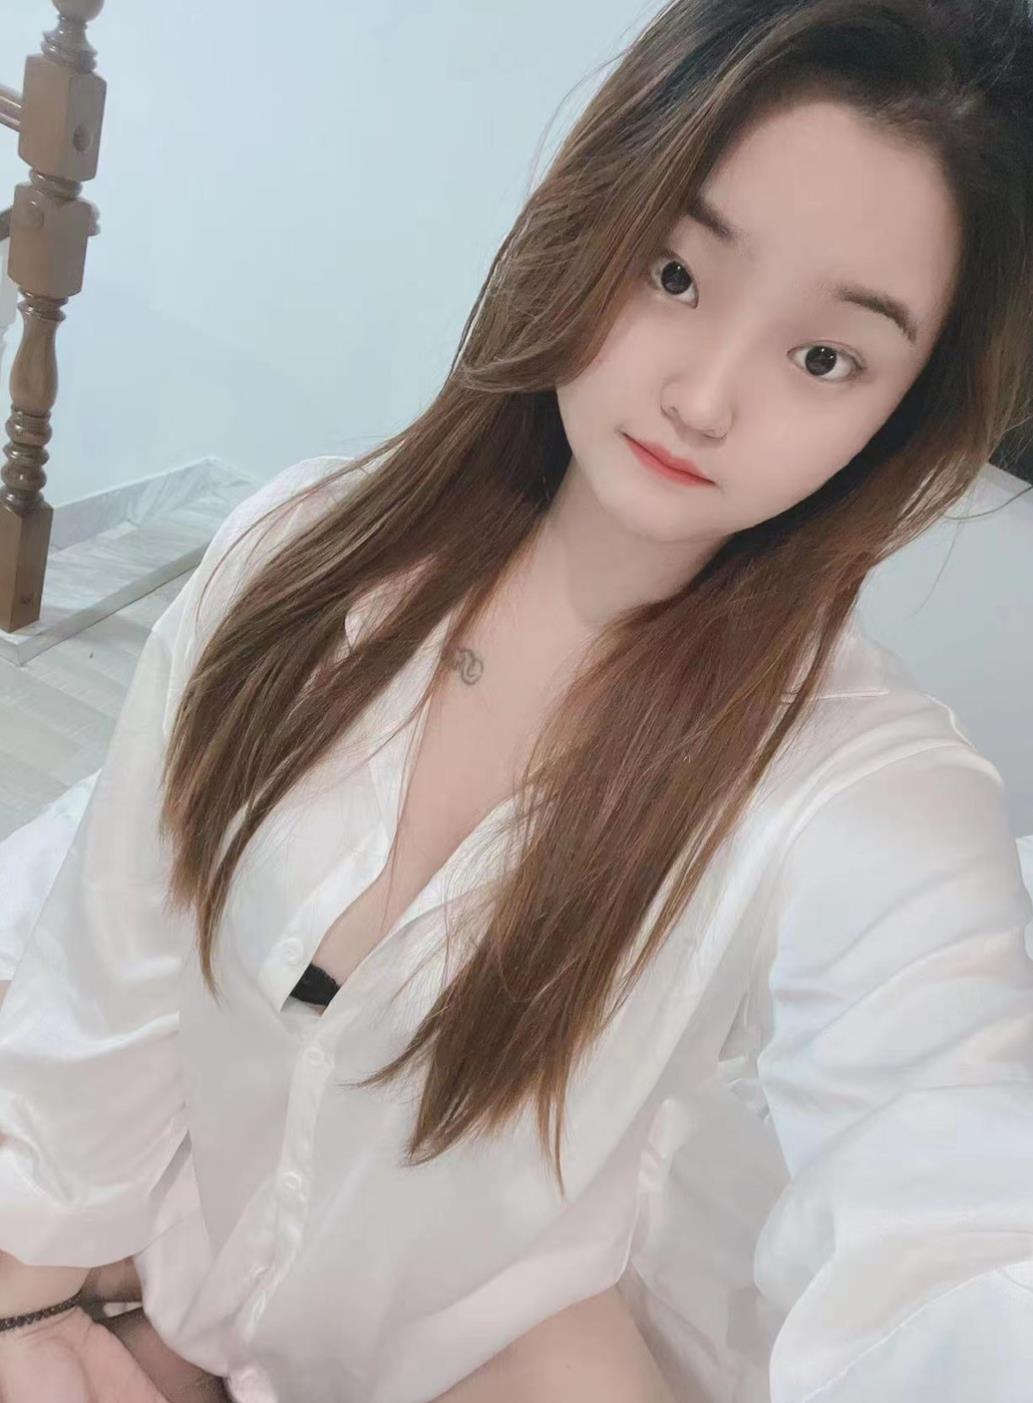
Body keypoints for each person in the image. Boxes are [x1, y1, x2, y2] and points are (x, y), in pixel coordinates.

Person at [2, 0, 1033, 1398]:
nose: (704, 398)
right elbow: (112, 965)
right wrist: (38, 1270)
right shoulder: (301, 552)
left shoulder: (854, 788)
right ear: (593, 221)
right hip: (170, 1263)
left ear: (897, 417)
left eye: (823, 358)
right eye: (675, 273)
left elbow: (955, 1202)